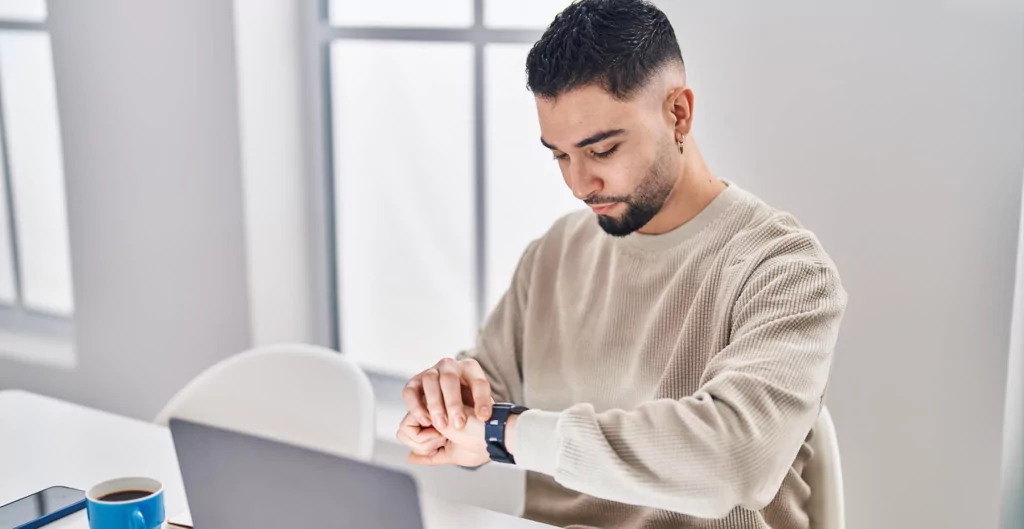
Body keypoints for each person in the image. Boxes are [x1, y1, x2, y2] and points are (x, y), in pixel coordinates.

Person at [395, 0, 847, 527]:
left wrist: (507, 434)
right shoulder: (555, 254)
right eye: (560, 155)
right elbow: (485, 391)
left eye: (602, 150)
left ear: (678, 112)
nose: (579, 184)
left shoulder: (785, 270)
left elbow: (733, 459)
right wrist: (446, 405)